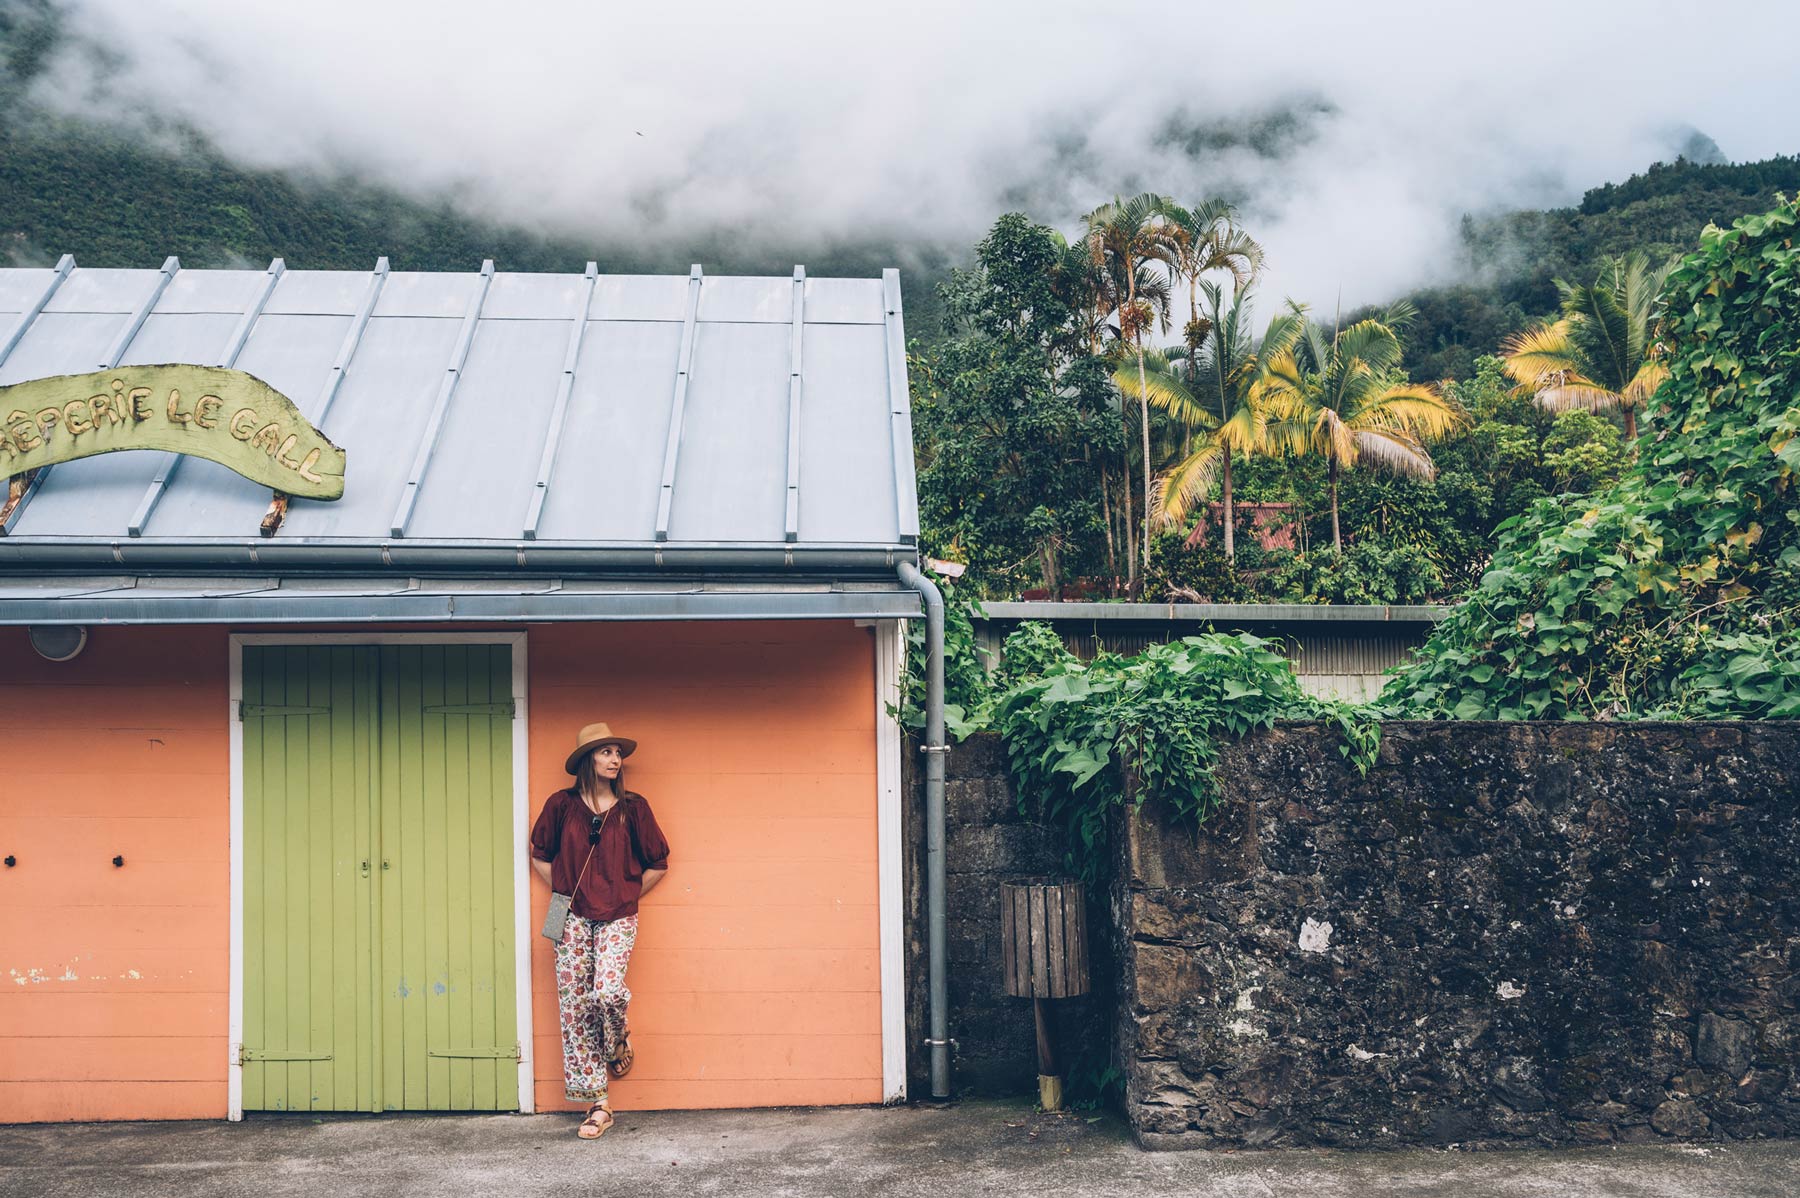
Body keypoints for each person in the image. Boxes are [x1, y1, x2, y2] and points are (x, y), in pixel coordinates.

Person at [530, 721, 670, 1140]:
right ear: (587, 759)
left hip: (617, 915)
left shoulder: (634, 807)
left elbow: (658, 863)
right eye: (606, 752)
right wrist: (565, 894)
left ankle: (616, 1040)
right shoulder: (561, 805)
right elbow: (540, 853)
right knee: (575, 1008)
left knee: (606, 992)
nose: (615, 759)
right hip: (568, 915)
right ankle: (599, 1105)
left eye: (617, 753)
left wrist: (623, 894)